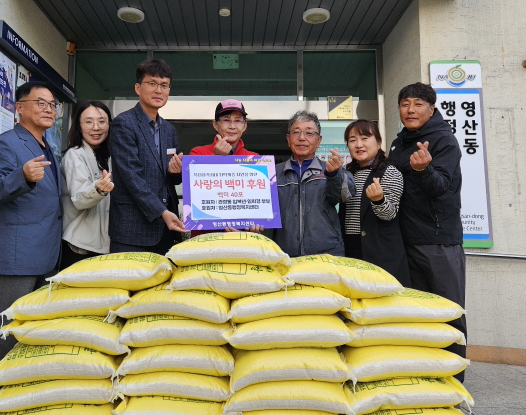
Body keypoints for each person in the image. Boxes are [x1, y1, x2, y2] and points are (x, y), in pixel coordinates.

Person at [0, 81, 62, 407]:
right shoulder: (5, 144)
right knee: (5, 328)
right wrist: (22, 177)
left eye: (52, 104)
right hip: (16, 254)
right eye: (40, 102)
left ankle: (22, 395)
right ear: (20, 107)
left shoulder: (48, 147)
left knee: (33, 330)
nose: (48, 109)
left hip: (46, 252)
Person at [388, 82, 466, 367]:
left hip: (438, 241)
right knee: (417, 313)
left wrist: (423, 170)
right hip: (406, 240)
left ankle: (453, 377)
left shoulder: (444, 140)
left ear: (431, 109)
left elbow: (442, 187)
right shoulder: (399, 142)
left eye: (418, 104)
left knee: (447, 311)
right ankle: (424, 374)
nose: (410, 110)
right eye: (405, 104)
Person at [109, 59, 185, 254]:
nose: (159, 90)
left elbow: (172, 179)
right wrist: (161, 212)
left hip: (165, 229)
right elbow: (131, 177)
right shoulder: (124, 124)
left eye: (164, 85)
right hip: (132, 229)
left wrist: (176, 172)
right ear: (138, 87)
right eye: (152, 83)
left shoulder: (169, 130)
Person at [168, 99, 262, 234]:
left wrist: (257, 222)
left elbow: (256, 204)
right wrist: (216, 157)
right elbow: (196, 196)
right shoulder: (198, 153)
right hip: (205, 238)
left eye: (238, 120)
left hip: (241, 237)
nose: (232, 126)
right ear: (215, 125)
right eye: (226, 120)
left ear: (245, 126)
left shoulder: (254, 159)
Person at [273, 110, 354, 257]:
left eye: (309, 133)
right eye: (296, 132)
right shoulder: (273, 173)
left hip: (326, 255)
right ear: (288, 139)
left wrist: (334, 174)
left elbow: (345, 195)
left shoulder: (330, 169)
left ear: (319, 140)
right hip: (284, 255)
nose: (302, 138)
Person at [339, 119, 411, 286]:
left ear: (378, 143)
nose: (359, 145)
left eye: (365, 138)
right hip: (351, 247)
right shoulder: (347, 173)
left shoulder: (390, 171)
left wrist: (379, 200)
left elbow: (390, 214)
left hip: (380, 251)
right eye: (352, 140)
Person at [61, 100, 114, 269]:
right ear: (79, 125)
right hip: (80, 245)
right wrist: (98, 189)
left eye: (101, 121)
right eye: (89, 122)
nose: (96, 128)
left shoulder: (110, 155)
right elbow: (79, 199)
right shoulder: (75, 155)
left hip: (106, 243)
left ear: (109, 124)